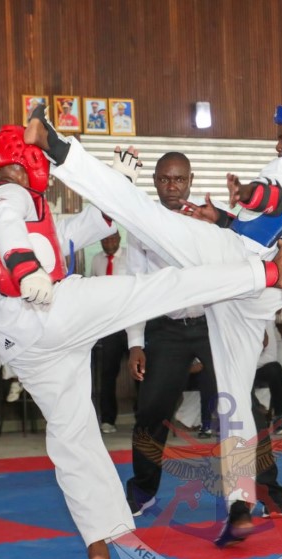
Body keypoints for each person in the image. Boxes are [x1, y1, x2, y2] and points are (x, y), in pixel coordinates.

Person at [0, 124, 282, 559]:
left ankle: (97, 543)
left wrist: (116, 183)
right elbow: (8, 229)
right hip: (49, 309)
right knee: (154, 290)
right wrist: (25, 270)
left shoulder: (17, 211)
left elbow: (81, 229)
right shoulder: (6, 194)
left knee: (71, 437)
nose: (47, 174)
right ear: (25, 162)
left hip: (22, 341)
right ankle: (264, 275)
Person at [26, 95, 282, 543]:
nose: (278, 144)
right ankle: (240, 503)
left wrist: (246, 193)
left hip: (242, 263)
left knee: (144, 215)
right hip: (261, 294)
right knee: (235, 397)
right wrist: (223, 217)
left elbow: (272, 198)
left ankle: (57, 146)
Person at [124, 152, 223, 514]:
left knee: (240, 404)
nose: (172, 186)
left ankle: (266, 489)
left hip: (212, 322)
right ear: (155, 181)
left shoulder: (208, 222)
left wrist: (250, 325)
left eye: (179, 179)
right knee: (151, 411)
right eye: (165, 179)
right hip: (166, 327)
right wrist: (136, 343)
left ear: (190, 181)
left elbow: (233, 273)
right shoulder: (142, 225)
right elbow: (136, 287)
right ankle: (142, 491)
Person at [90, 232, 129, 433]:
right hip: (109, 325)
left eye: (112, 239)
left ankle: (143, 417)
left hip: (131, 321)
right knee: (107, 373)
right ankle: (107, 419)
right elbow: (93, 290)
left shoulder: (130, 257)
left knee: (141, 372)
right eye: (105, 240)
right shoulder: (97, 260)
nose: (109, 243)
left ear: (119, 239)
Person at [254, 319, 282, 436]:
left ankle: (279, 418)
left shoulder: (265, 320)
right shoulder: (235, 320)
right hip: (238, 370)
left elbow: (270, 356)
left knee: (275, 368)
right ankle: (256, 412)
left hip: (255, 367)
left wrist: (248, 365)